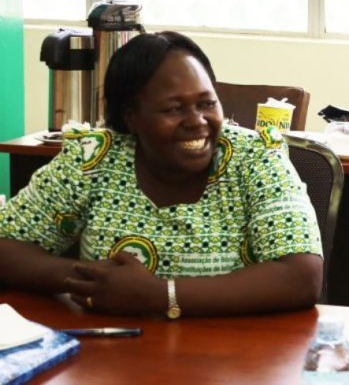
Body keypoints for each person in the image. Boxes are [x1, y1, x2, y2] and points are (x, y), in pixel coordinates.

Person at [0, 31, 323, 317]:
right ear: (131, 117)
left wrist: (159, 295)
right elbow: (6, 245)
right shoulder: (93, 158)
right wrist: (95, 279)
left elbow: (301, 276)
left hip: (234, 358)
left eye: (207, 104)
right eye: (173, 109)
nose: (197, 121)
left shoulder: (255, 157)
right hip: (111, 356)